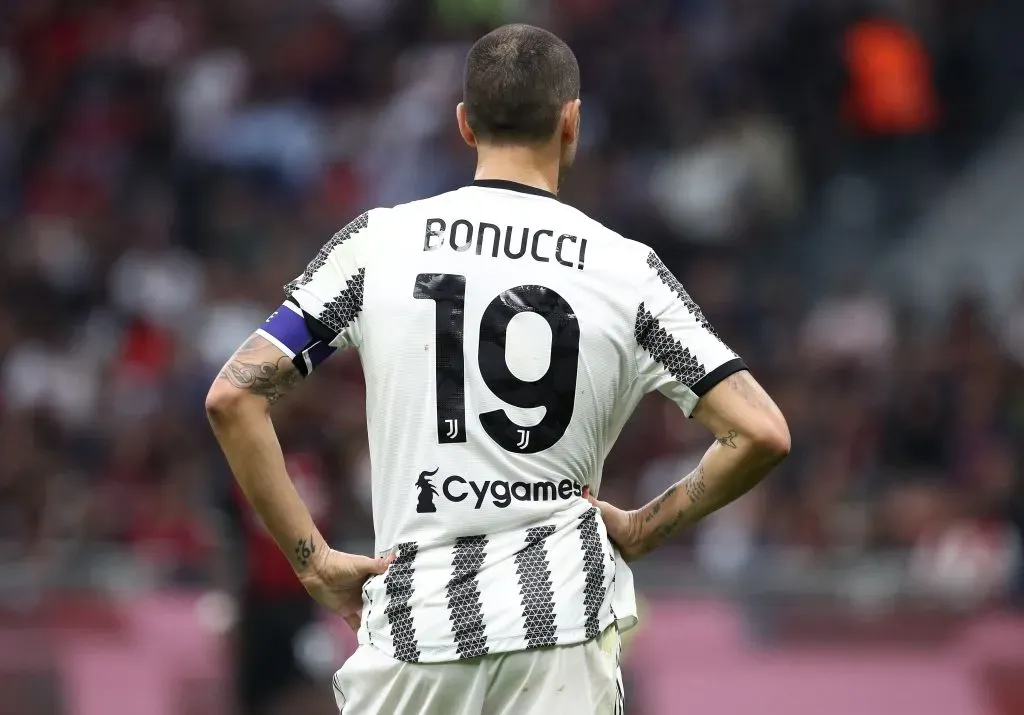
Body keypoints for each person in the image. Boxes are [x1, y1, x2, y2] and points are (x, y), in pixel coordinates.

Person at [205, 23, 790, 715]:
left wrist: (314, 560)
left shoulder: (378, 243)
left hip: (413, 633)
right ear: (571, 123)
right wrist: (641, 527)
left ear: (464, 125)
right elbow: (760, 431)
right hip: (559, 633)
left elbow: (233, 395)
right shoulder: (627, 271)